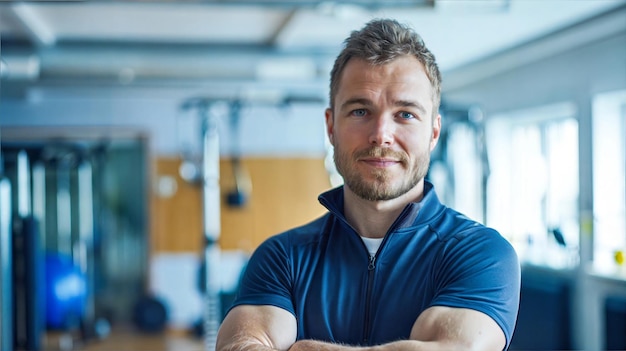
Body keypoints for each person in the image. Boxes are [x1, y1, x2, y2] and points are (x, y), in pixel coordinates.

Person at [216, 18, 520, 351]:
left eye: (405, 114)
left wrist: (304, 348)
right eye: (361, 111)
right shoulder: (282, 258)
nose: (381, 135)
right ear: (331, 127)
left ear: (433, 132)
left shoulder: (481, 254)